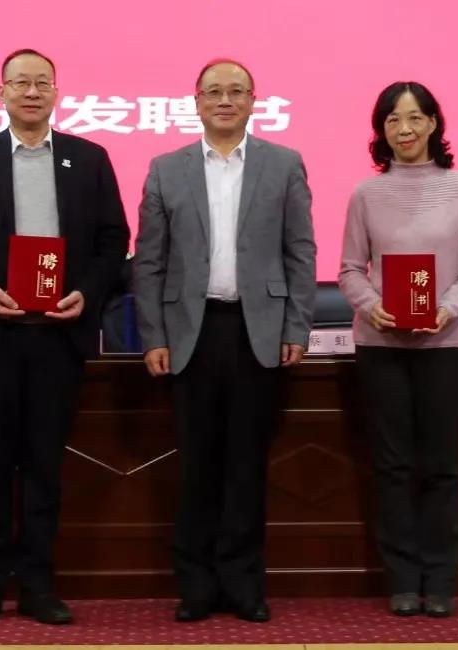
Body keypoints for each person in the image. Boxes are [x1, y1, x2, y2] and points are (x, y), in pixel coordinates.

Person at [0, 48, 129, 627]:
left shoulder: (89, 158)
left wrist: (86, 293)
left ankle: (38, 584)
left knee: (45, 465)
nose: (33, 91)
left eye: (43, 82)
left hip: (59, 337)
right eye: (21, 83)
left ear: (57, 92)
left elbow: (114, 239)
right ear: (2, 92)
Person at [133, 58, 316, 623]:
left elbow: (300, 251)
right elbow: (149, 261)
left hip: (257, 331)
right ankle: (195, 585)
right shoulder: (167, 169)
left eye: (237, 91)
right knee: (196, 464)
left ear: (254, 101)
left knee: (246, 464)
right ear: (196, 102)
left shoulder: (284, 164)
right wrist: (152, 334)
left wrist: (296, 326)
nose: (225, 100)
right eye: (214, 92)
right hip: (189, 332)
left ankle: (243, 584)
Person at [338, 81, 458, 618]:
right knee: (393, 466)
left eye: (414, 118)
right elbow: (350, 270)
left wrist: (447, 307)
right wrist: (371, 304)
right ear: (381, 130)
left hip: (445, 342)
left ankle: (440, 580)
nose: (404, 129)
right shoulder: (366, 193)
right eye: (392, 120)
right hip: (381, 344)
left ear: (432, 124)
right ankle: (403, 579)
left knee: (442, 466)